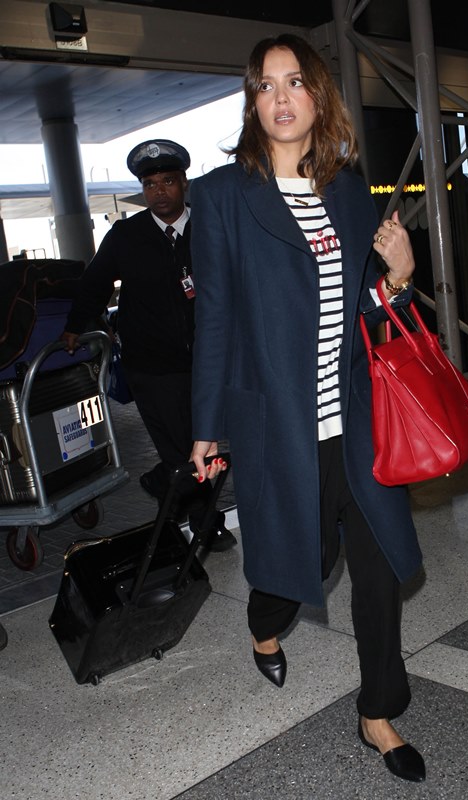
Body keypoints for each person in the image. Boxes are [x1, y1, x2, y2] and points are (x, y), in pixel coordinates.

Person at [190, 34, 426, 783]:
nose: (281, 97)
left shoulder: (349, 193)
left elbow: (366, 310)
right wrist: (206, 428)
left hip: (358, 422)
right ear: (253, 102)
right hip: (280, 425)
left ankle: (378, 712)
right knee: (304, 562)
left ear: (319, 97)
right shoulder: (222, 197)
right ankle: (265, 626)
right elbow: (215, 319)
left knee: (379, 567)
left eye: (295, 82)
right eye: (266, 85)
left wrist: (399, 278)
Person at [62, 138, 236, 552]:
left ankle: (164, 490)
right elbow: (94, 284)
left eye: (168, 182)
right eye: (150, 184)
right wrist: (74, 326)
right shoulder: (126, 235)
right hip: (152, 368)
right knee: (181, 450)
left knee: (203, 443)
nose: (159, 191)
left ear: (184, 183)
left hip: (207, 363)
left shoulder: (209, 226)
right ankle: (205, 522)